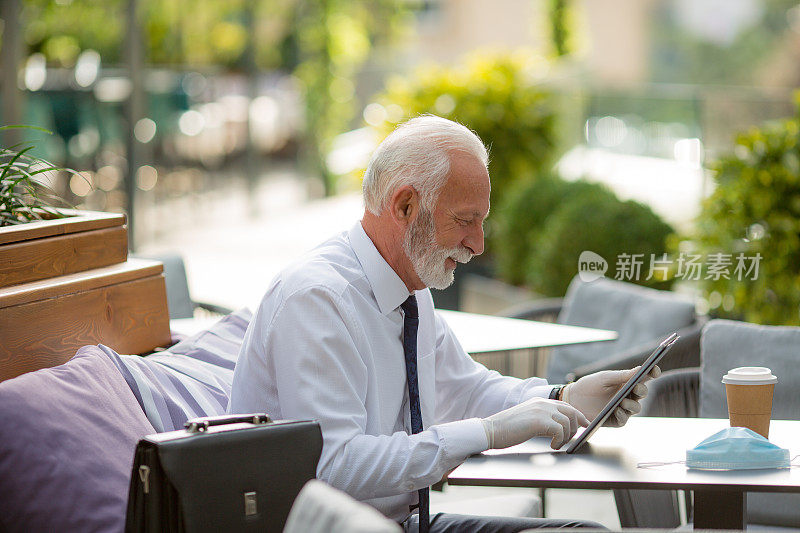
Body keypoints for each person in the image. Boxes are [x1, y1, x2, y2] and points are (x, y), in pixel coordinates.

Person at [230, 115, 657, 532]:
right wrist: (486, 433)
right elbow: (338, 467)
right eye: (465, 220)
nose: (478, 243)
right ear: (405, 205)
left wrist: (563, 397)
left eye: (481, 221)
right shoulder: (318, 298)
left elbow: (464, 388)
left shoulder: (409, 289)